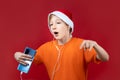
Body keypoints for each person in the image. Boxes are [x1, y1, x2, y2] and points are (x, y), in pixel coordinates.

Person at [14, 10, 109, 80]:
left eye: (58, 23)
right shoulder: (45, 48)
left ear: (68, 26)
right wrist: (17, 55)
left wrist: (96, 45)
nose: (53, 27)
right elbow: (27, 58)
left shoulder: (82, 44)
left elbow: (105, 58)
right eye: (51, 24)